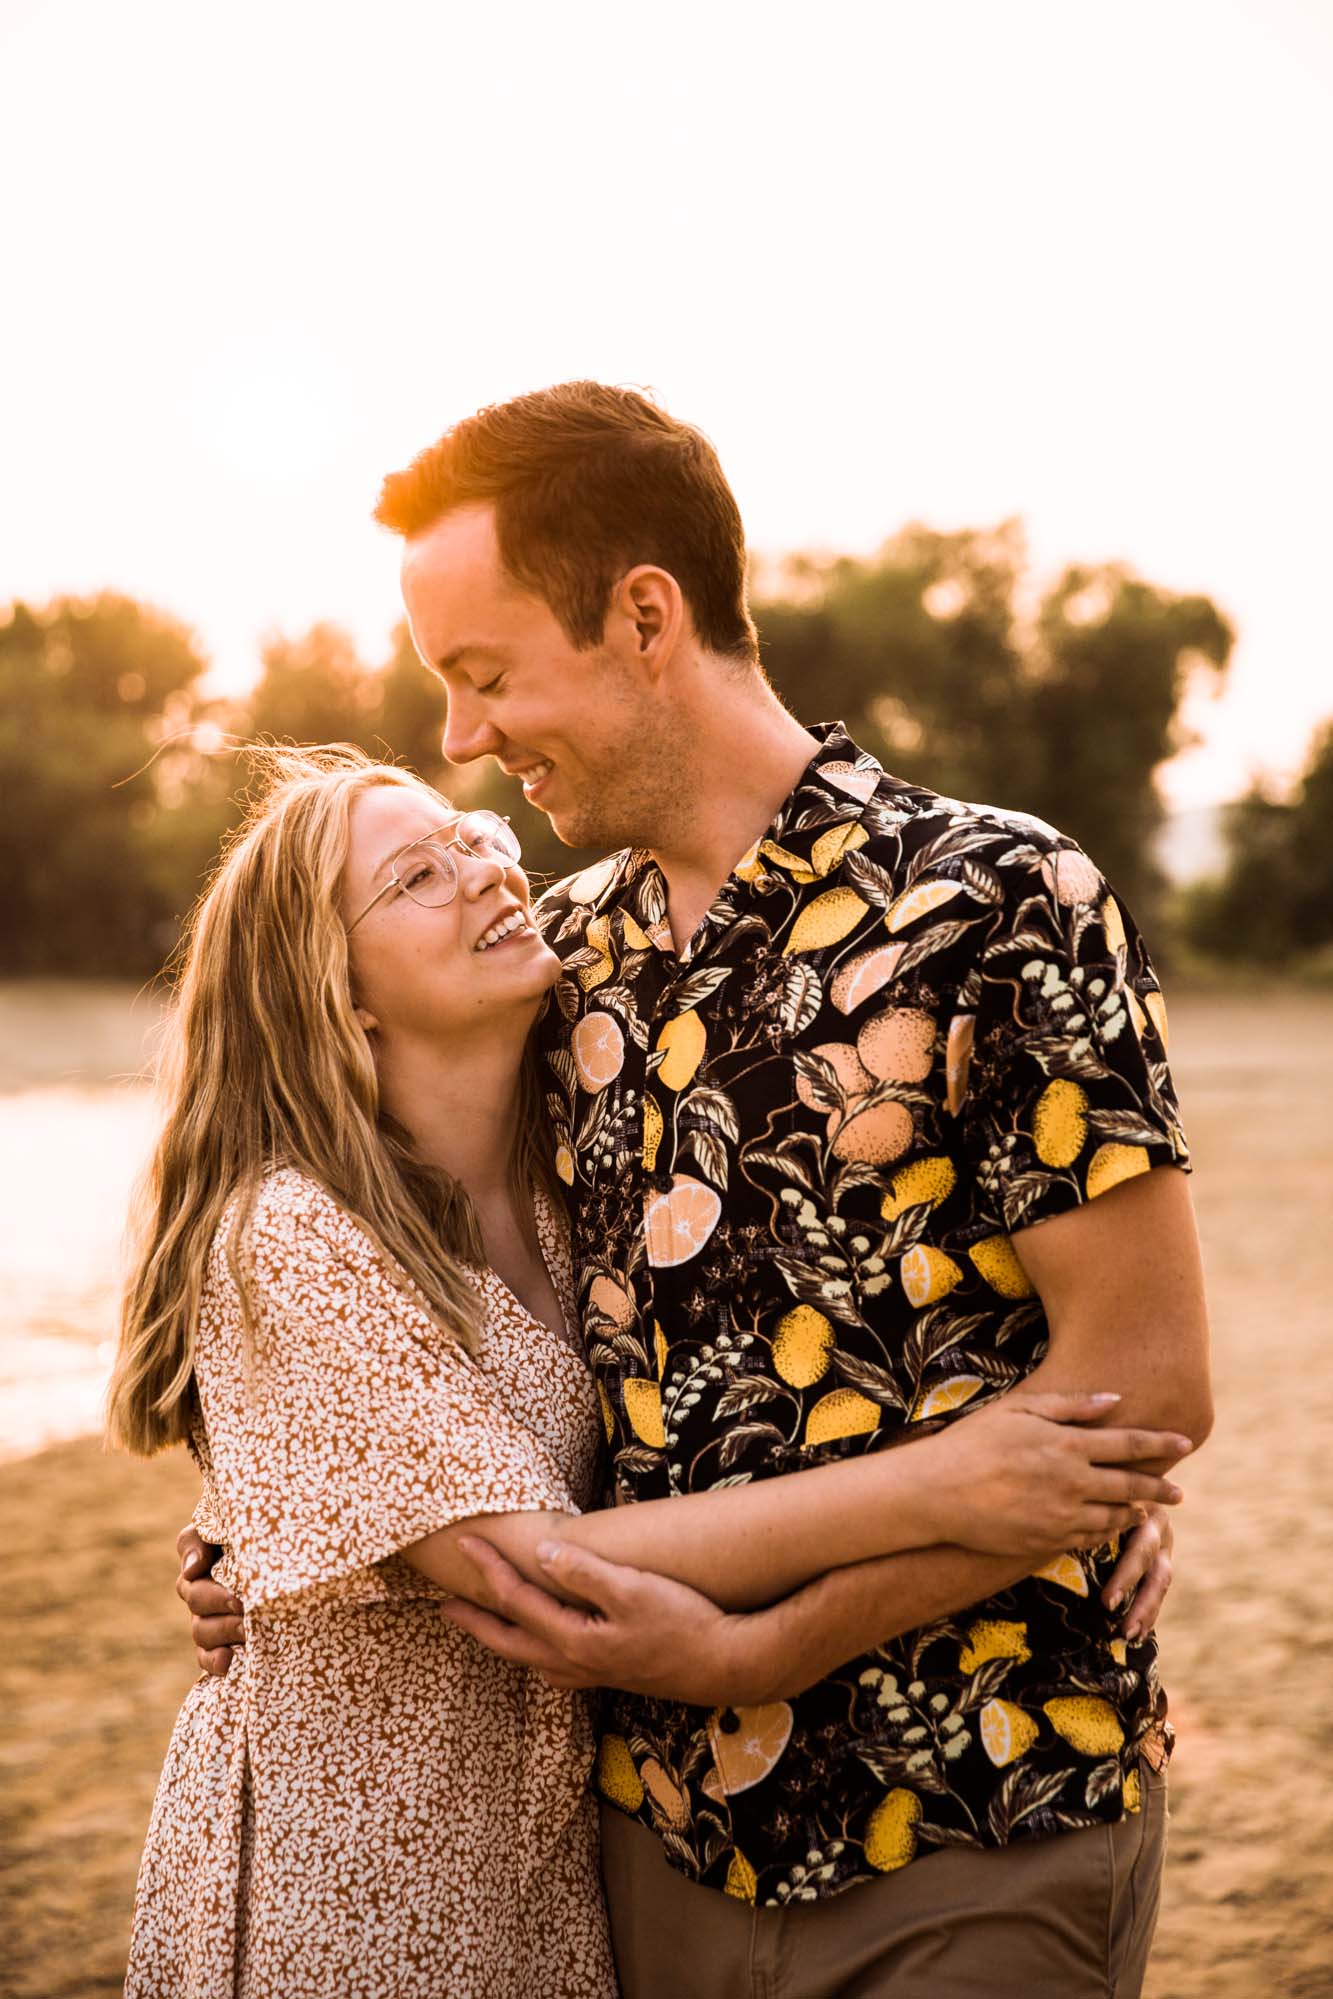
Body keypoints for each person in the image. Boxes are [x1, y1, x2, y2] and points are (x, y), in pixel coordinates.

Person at [179, 381, 1212, 1997]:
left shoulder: (998, 897)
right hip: (638, 1845)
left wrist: (777, 1644)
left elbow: (1138, 1389)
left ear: (643, 616)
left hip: (976, 1800)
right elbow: (425, 1285)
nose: (461, 739)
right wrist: (272, 1539)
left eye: (485, 676)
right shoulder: (556, 962)